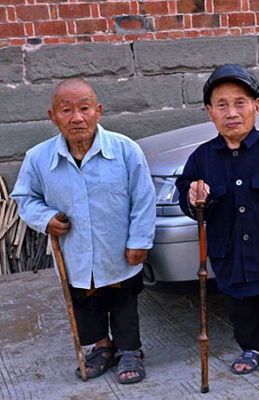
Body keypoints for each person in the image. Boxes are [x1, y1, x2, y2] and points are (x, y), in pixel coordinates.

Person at [11, 78, 155, 383]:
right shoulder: (38, 158)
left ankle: (130, 350)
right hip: (75, 251)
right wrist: (45, 218)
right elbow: (24, 199)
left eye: (84, 108)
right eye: (66, 110)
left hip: (118, 249)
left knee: (123, 300)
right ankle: (101, 347)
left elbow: (143, 199)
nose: (77, 118)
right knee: (85, 300)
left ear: (98, 111)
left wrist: (140, 241)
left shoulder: (125, 150)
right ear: (52, 116)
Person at [176, 64, 259, 375]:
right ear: (209, 112)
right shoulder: (202, 157)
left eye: (240, 103)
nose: (231, 112)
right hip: (232, 251)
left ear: (257, 107)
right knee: (243, 304)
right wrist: (193, 195)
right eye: (221, 105)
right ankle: (252, 347)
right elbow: (185, 192)